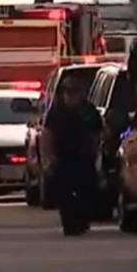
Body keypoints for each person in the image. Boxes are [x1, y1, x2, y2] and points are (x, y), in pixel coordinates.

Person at [42, 78, 103, 236]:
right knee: (65, 194)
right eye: (67, 93)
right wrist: (49, 157)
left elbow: (99, 132)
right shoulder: (56, 113)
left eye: (74, 93)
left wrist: (97, 151)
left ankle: (82, 221)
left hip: (84, 158)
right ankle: (69, 224)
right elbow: (47, 135)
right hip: (63, 159)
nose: (71, 96)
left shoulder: (88, 111)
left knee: (87, 191)